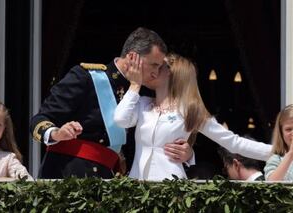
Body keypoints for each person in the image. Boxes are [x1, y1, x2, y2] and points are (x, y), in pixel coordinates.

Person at [30, 27, 194, 179]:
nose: (156, 73)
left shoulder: (144, 93)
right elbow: (38, 120)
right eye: (154, 65)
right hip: (68, 174)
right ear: (131, 57)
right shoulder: (87, 77)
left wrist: (187, 154)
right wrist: (56, 133)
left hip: (110, 177)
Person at [114, 53, 272, 181]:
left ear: (172, 74)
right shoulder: (142, 103)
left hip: (171, 190)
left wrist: (282, 152)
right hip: (138, 186)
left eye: (158, 67)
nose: (152, 71)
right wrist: (135, 85)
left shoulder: (190, 111)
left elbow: (233, 143)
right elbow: (121, 119)